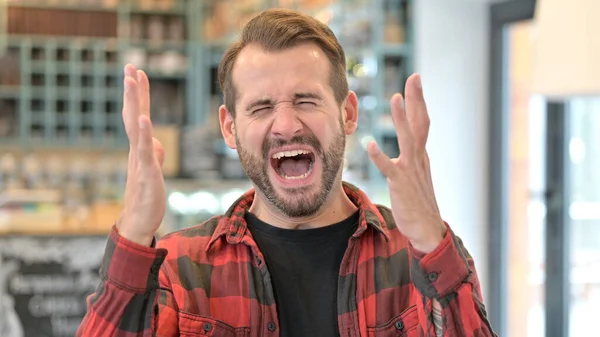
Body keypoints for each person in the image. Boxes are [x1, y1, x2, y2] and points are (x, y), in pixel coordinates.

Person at [76, 8, 496, 337]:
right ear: (230, 127)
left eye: (306, 100)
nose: (287, 125)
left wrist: (431, 240)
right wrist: (132, 235)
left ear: (347, 113)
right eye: (261, 107)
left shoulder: (415, 255)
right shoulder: (182, 270)